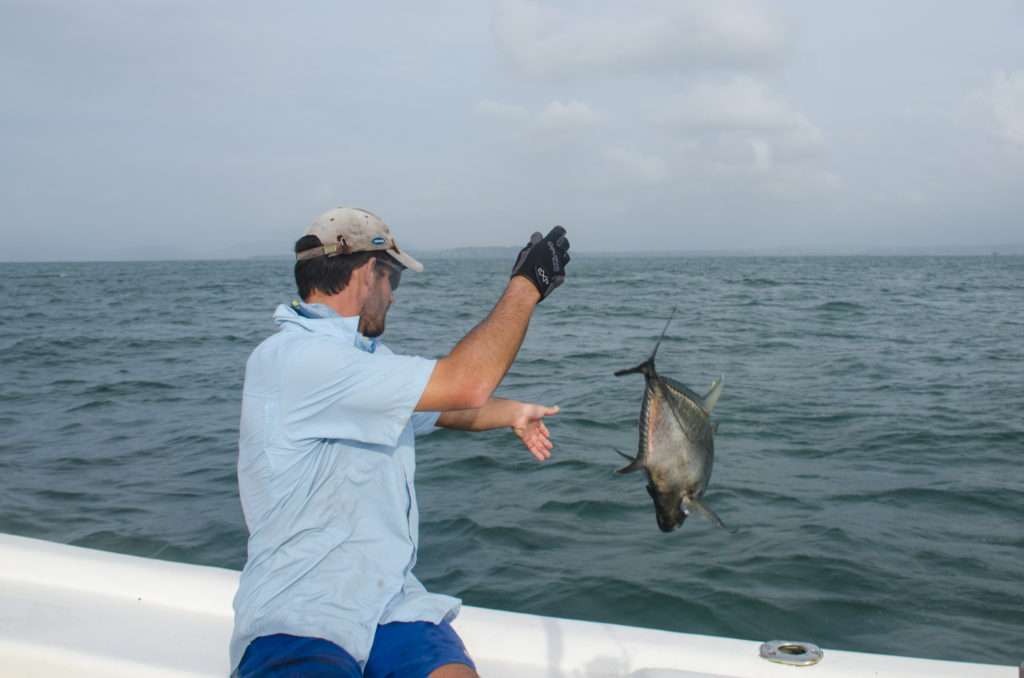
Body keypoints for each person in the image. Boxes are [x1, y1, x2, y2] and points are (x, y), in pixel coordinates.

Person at [230, 206, 571, 677]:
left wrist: (510, 412)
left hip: (390, 603)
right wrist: (526, 284)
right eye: (393, 281)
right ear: (370, 272)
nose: (392, 297)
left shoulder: (357, 362)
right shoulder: (297, 359)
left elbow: (444, 407)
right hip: (301, 613)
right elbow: (466, 382)